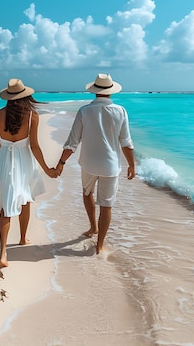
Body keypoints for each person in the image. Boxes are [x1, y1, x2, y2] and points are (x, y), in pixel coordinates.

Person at [55, 73, 135, 254]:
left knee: (87, 193)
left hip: (89, 164)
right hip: (111, 166)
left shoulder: (84, 111)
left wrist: (61, 162)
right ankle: (100, 245)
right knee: (106, 205)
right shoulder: (121, 111)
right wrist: (132, 165)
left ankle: (93, 227)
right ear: (111, 91)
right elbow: (126, 143)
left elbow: (72, 142)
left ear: (95, 91)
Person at [0, 78, 57, 267]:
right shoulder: (32, 116)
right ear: (26, 96)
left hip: (4, 160)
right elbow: (35, 147)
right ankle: (22, 238)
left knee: (5, 206)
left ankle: (3, 253)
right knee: (25, 198)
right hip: (24, 160)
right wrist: (48, 169)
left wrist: (1, 168)